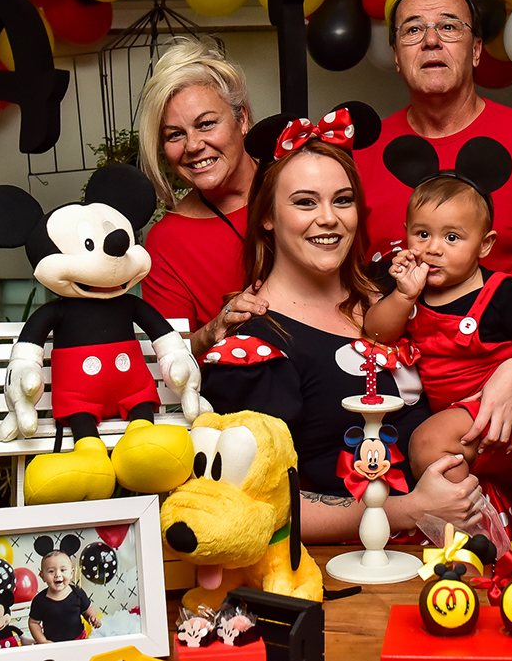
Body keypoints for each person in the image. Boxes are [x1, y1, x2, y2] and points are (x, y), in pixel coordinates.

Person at [200, 134, 485, 543]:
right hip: (356, 563)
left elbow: (490, 337)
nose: (329, 218)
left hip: (466, 541)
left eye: (342, 200)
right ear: (267, 216)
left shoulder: (396, 287)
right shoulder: (253, 348)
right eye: (305, 202)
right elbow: (252, 504)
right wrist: (409, 509)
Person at [355, 0, 512, 453]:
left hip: (510, 406)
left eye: (449, 27)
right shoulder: (361, 157)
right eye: (413, 30)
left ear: (477, 50)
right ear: (396, 55)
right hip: (398, 403)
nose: (431, 40)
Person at [364, 174, 512, 485]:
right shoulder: (408, 287)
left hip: (503, 417)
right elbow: (377, 334)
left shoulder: (504, 294)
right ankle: (479, 506)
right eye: (422, 234)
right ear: (406, 233)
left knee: (427, 444)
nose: (433, 248)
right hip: (453, 418)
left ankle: (469, 513)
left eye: (452, 237)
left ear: (484, 244)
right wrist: (404, 295)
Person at [137, 36, 268, 357]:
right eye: (175, 135)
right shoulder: (167, 242)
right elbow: (172, 356)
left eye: (206, 124)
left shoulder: (300, 184)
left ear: (242, 119)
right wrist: (212, 330)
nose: (193, 145)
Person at [28, 550, 100, 643]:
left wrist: (92, 616)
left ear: (71, 573)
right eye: (51, 571)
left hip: (78, 640)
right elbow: (33, 623)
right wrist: (43, 641)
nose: (57, 575)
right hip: (53, 644)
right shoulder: (40, 601)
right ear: (42, 576)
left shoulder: (77, 593)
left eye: (63, 570)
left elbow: (87, 608)